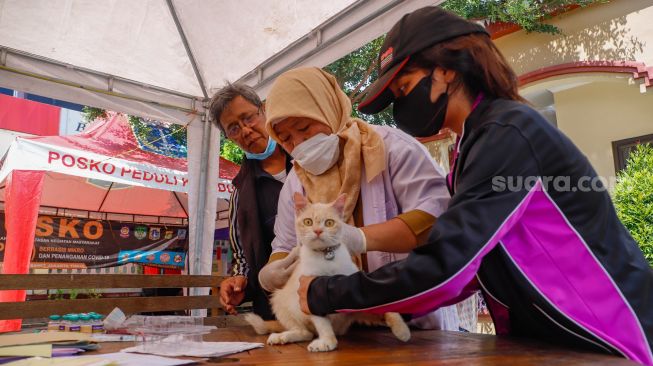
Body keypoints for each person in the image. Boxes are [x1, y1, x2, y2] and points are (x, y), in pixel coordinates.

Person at [296, 7, 653, 365]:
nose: (402, 107)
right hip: (552, 340)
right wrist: (390, 305)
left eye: (403, 88)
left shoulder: (507, 134)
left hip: (609, 336)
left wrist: (327, 293)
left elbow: (448, 264)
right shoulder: (473, 144)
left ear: (446, 71)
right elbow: (472, 266)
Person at [258, 67, 461, 330]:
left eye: (304, 127)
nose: (299, 142)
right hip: (339, 329)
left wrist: (359, 238)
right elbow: (285, 244)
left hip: (408, 322)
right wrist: (274, 270)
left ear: (327, 107)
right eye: (285, 139)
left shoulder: (391, 148)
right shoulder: (295, 182)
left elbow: (435, 218)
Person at [208, 83, 297, 320]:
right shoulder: (240, 192)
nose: (245, 131)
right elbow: (243, 257)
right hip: (279, 312)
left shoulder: (305, 159)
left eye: (248, 118)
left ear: (264, 110)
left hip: (331, 297)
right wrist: (239, 281)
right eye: (234, 129)